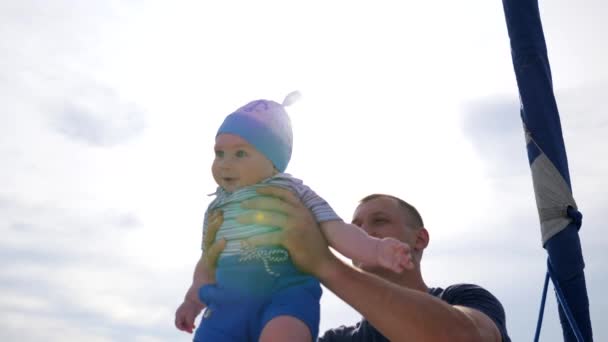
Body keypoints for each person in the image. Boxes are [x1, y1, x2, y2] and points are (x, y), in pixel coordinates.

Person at [175, 92, 413, 342]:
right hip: (225, 303)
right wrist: (192, 300)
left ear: (274, 161)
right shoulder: (217, 207)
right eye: (219, 153)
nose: (224, 164)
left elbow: (335, 229)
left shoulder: (293, 192)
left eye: (240, 154)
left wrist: (375, 250)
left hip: (285, 295)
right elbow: (208, 260)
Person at [191, 188, 512, 341]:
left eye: (380, 221)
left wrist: (325, 265)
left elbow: (462, 339)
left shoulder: (463, 299)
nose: (363, 232)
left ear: (420, 239)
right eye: (354, 226)